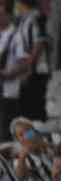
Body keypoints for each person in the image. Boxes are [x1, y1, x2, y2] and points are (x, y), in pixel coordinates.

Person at [13, 0, 50, 124]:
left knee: (35, 113)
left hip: (35, 71)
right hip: (25, 71)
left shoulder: (36, 17)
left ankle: (40, 139)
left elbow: (39, 43)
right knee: (25, 112)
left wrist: (29, 68)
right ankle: (28, 139)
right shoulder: (23, 20)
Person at [0, 6, 30, 143]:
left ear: (8, 15)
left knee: (6, 133)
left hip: (8, 92)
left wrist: (7, 73)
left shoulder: (17, 35)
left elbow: (24, 63)